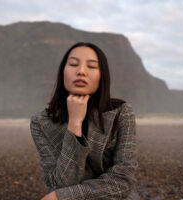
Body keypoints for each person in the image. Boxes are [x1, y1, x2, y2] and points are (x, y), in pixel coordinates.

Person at [30, 42, 139, 200]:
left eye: (92, 66)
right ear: (63, 72)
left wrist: (62, 197)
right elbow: (62, 182)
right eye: (73, 64)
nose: (81, 71)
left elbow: (122, 181)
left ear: (102, 75)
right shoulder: (41, 122)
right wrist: (74, 123)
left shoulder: (121, 112)